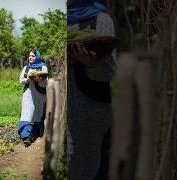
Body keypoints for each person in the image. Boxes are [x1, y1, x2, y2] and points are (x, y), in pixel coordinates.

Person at [67, 0, 117, 180]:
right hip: (62, 106)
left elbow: (110, 70)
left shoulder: (101, 19)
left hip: (92, 109)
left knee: (92, 165)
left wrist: (92, 64)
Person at [18, 49, 48, 147]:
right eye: (29, 56)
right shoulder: (26, 68)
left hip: (39, 97)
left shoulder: (43, 67)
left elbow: (45, 83)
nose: (30, 57)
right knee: (27, 115)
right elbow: (21, 80)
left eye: (33, 56)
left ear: (37, 57)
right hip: (28, 96)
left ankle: (33, 135)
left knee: (37, 116)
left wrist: (38, 80)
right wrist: (28, 80)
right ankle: (26, 136)